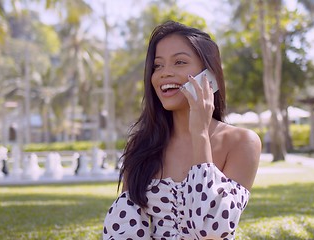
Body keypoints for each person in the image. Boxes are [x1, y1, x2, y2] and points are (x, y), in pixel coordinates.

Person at [103, 20, 261, 239]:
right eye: (158, 65)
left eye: (179, 62)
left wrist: (200, 134)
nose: (165, 73)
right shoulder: (142, 144)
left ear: (210, 75)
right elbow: (124, 231)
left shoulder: (242, 142)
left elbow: (211, 230)